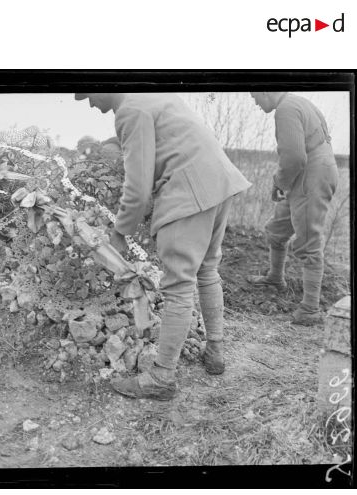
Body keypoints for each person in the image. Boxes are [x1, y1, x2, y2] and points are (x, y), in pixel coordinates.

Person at [75, 93, 251, 400]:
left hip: (188, 189)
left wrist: (120, 232)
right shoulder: (150, 96)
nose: (89, 103)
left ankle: (162, 377)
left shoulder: (129, 110)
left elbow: (139, 188)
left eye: (88, 93)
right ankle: (215, 352)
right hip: (218, 183)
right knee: (207, 270)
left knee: (179, 285)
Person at [246, 92, 339, 325]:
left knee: (309, 241)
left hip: (311, 175)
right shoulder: (297, 102)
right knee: (277, 229)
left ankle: (310, 310)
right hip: (307, 173)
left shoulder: (286, 108)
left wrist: (279, 181)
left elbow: (295, 157)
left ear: (266, 92)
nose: (256, 103)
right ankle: (275, 278)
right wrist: (284, 182)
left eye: (256, 97)